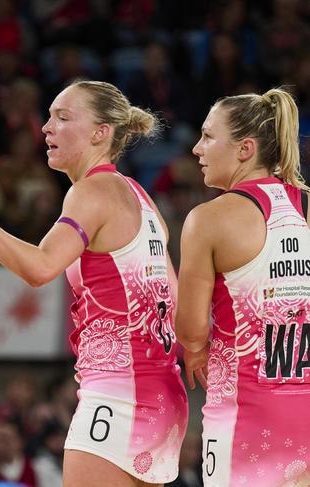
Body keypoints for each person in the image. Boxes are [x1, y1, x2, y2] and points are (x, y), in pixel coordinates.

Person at [0, 80, 188, 486]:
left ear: (101, 133)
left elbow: (41, 267)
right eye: (48, 117)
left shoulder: (90, 192)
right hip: (163, 396)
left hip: (117, 396)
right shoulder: (142, 199)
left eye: (62, 117)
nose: (45, 128)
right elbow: (175, 303)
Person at [176, 88, 310, 486]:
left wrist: (195, 349)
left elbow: (190, 329)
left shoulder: (209, 219)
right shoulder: (306, 205)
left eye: (208, 136)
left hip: (248, 414)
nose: (197, 148)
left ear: (245, 149)